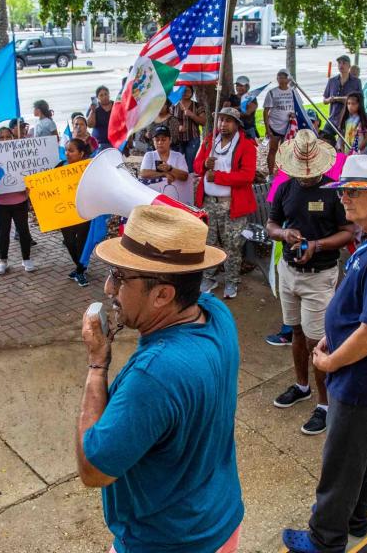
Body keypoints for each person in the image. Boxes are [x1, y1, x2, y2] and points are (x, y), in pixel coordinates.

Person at [78, 205, 243, 553]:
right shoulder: (216, 312)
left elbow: (94, 470)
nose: (109, 288)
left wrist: (97, 365)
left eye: (120, 277)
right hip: (219, 520)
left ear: (163, 294)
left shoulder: (153, 376)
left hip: (168, 541)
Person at [281, 155, 367, 553]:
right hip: (364, 370)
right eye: (342, 190)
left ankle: (325, 539)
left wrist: (329, 361)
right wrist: (330, 339)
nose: (344, 199)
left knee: (340, 459)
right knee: (361, 451)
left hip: (360, 373)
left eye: (353, 191)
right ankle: (354, 516)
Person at [267, 131, 354, 435]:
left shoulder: (333, 192)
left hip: (320, 276)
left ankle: (325, 404)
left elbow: (348, 232)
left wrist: (317, 245)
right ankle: (301, 385)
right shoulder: (285, 188)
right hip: (288, 271)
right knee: (296, 332)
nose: (304, 177)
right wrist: (283, 234)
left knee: (319, 341)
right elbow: (271, 223)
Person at [194, 108, 258, 300]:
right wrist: (205, 165)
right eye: (221, 120)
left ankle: (231, 280)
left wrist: (218, 177)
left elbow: (247, 176)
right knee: (209, 242)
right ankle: (209, 276)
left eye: (228, 121)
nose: (223, 124)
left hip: (232, 204)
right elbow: (196, 166)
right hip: (208, 203)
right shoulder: (208, 142)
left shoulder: (246, 146)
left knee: (233, 245)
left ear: (237, 124)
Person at [0, 126, 36, 275]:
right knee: (3, 232)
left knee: (23, 231)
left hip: (19, 199)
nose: (4, 140)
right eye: (0, 137)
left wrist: (29, 186)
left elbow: (30, 171)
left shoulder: (20, 154)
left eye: (7, 137)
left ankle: (26, 258)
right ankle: (3, 261)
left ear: (13, 138)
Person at [59, 139, 93, 287]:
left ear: (81, 153)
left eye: (71, 150)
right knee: (69, 242)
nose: (67, 153)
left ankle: (80, 271)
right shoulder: (59, 167)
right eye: (66, 150)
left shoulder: (88, 168)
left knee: (82, 243)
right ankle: (80, 267)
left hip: (83, 212)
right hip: (65, 213)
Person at [140, 125, 192, 205]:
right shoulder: (149, 155)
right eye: (157, 140)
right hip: (153, 201)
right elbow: (143, 173)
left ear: (170, 140)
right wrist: (164, 173)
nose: (160, 142)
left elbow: (185, 176)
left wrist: (170, 169)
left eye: (163, 140)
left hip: (176, 201)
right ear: (153, 141)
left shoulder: (178, 156)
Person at [263, 69, 295, 175]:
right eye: (279, 76)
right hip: (274, 126)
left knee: (286, 151)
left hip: (289, 127)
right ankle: (271, 173)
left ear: (288, 79)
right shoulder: (272, 92)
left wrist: (294, 115)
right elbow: (266, 111)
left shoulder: (293, 92)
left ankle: (284, 172)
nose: (281, 79)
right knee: (273, 150)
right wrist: (267, 129)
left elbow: (298, 108)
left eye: (283, 77)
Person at [170, 86, 207, 171]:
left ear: (192, 92)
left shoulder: (197, 106)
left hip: (193, 138)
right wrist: (177, 127)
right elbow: (169, 121)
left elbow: (203, 122)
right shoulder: (174, 105)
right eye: (183, 90)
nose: (185, 93)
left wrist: (192, 115)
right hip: (177, 139)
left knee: (190, 163)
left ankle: (189, 181)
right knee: (176, 163)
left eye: (188, 91)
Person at [322, 54, 362, 129]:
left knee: (344, 140)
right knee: (323, 137)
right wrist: (329, 99)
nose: (341, 65)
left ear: (349, 66)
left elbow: (359, 100)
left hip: (350, 120)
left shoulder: (356, 82)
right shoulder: (332, 81)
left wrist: (337, 99)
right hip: (333, 119)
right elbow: (324, 100)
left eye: (344, 63)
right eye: (339, 63)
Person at [225, 75, 259, 139]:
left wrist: (232, 111)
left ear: (247, 87)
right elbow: (225, 110)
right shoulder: (232, 97)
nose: (238, 88)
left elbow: (247, 113)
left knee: (252, 147)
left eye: (241, 86)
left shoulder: (251, 97)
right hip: (234, 129)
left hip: (248, 129)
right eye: (237, 85)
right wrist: (240, 107)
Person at [87, 85, 114, 150]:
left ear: (109, 95)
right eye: (101, 95)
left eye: (106, 94)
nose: (104, 97)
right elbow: (90, 125)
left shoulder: (115, 105)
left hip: (115, 141)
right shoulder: (94, 108)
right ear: (97, 97)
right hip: (99, 142)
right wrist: (93, 111)